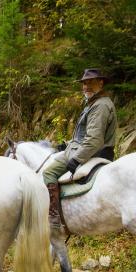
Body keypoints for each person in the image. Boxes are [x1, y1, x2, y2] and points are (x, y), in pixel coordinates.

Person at [43, 68, 117, 229]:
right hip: (80, 148)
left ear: (101, 83)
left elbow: (95, 139)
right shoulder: (94, 103)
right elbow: (84, 135)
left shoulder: (100, 106)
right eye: (84, 83)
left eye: (90, 82)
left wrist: (77, 159)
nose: (86, 87)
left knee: (48, 172)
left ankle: (53, 216)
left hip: (91, 152)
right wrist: (68, 143)